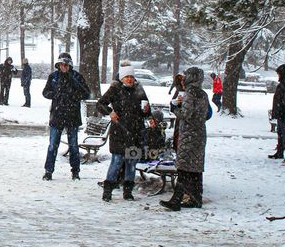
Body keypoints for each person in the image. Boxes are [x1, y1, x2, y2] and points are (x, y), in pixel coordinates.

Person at [97, 62, 151, 200]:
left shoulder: (139, 89)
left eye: (131, 77)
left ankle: (128, 192)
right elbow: (100, 104)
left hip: (136, 131)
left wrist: (146, 111)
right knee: (116, 161)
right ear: (121, 78)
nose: (129, 79)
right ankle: (107, 191)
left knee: (131, 163)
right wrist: (110, 112)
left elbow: (146, 110)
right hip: (119, 131)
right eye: (126, 77)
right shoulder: (115, 89)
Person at [160, 67, 210, 210]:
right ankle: (196, 198)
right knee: (195, 168)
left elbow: (185, 114)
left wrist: (174, 107)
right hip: (200, 134)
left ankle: (176, 200)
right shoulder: (203, 94)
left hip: (188, 134)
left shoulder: (189, 93)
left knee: (183, 168)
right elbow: (204, 114)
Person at [42, 52, 91, 181]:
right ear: (58, 65)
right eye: (61, 64)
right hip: (57, 114)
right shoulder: (53, 77)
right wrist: (55, 95)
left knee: (73, 145)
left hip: (72, 115)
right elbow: (45, 92)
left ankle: (75, 171)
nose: (64, 67)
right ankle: (48, 171)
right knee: (53, 145)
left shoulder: (76, 76)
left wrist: (74, 94)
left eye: (66, 64)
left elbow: (86, 93)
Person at [269, 64, 285, 159]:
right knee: (281, 133)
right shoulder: (284, 84)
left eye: (279, 74)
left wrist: (279, 110)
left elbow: (283, 99)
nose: (278, 76)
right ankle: (281, 151)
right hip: (282, 113)